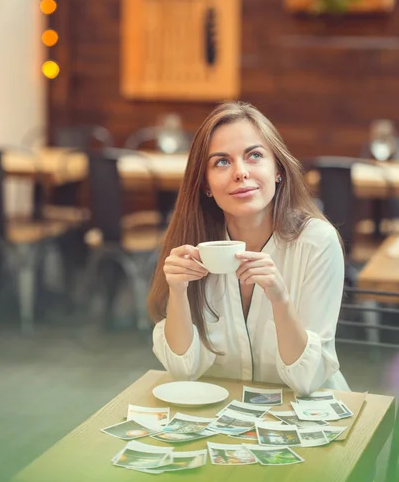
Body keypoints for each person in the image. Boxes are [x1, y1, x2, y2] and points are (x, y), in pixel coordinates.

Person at [147, 101, 349, 395]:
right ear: (205, 184)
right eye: (222, 162)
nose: (240, 172)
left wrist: (280, 300)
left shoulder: (317, 242)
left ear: (278, 169)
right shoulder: (192, 241)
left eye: (254, 155)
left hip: (307, 412)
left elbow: (309, 378)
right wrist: (178, 293)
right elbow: (182, 370)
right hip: (221, 415)